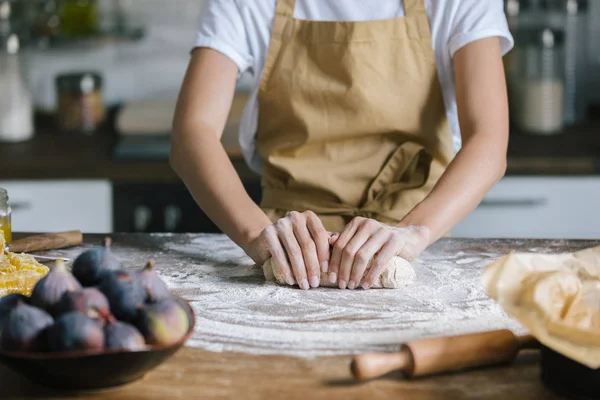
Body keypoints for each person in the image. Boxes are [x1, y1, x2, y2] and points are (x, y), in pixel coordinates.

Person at [170, 0, 513, 290]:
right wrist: (255, 234)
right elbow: (192, 133)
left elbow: (488, 139)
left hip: (415, 240)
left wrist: (414, 232)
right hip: (290, 244)